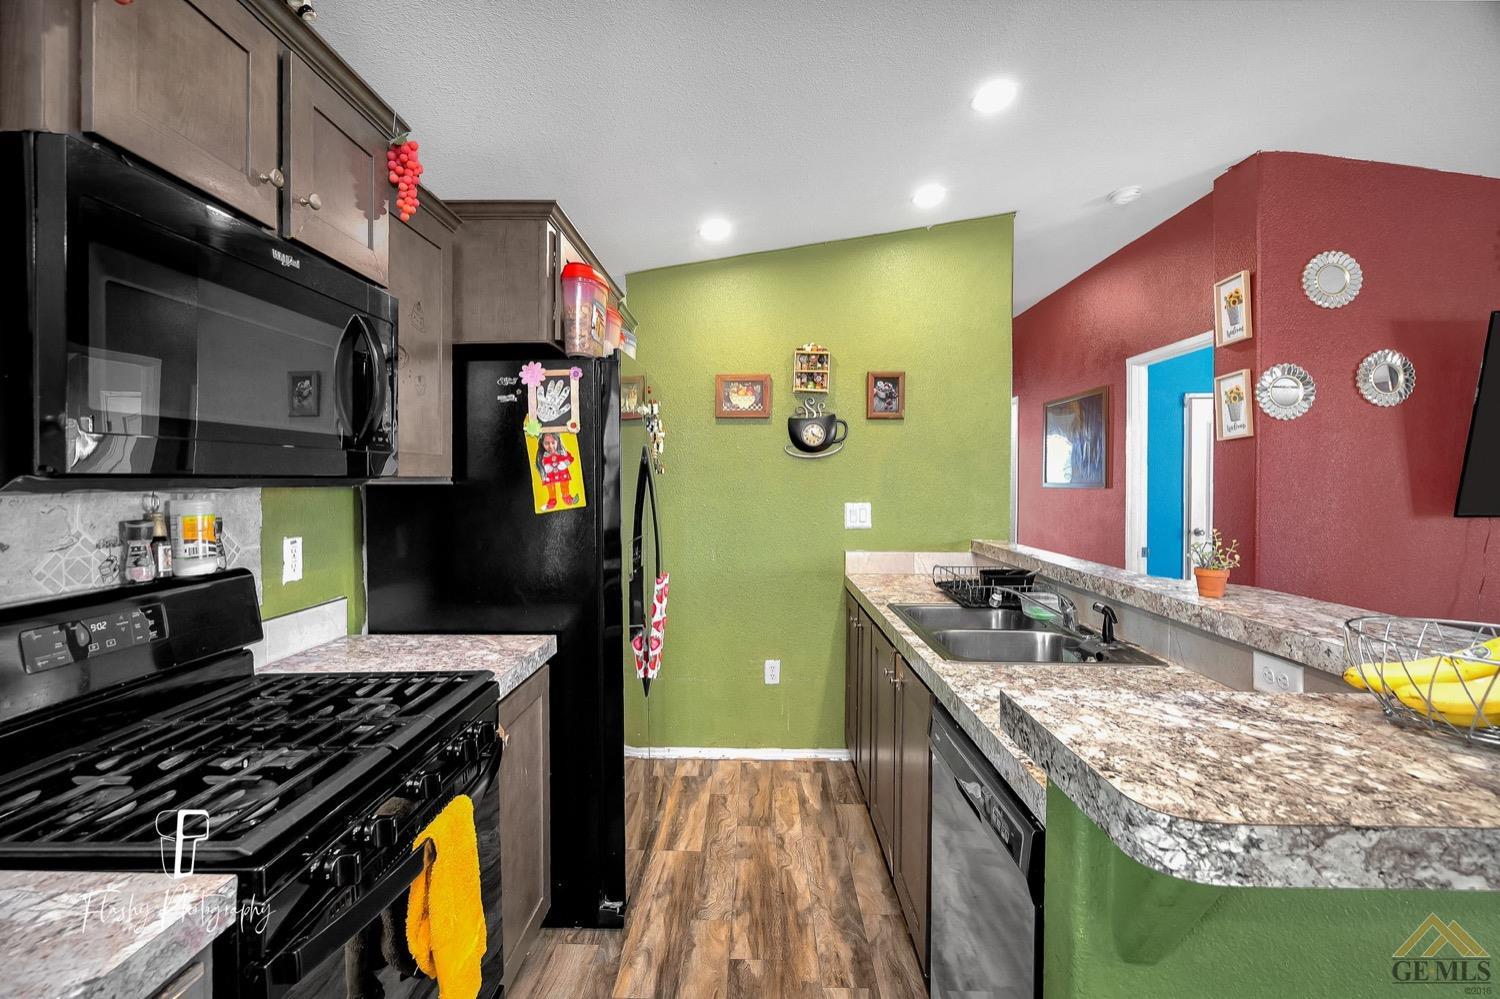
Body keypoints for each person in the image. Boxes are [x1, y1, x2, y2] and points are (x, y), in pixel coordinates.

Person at [536, 432, 578, 509]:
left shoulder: (562, 452)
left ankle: (566, 496)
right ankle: (552, 500)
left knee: (564, 484)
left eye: (553, 442)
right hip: (550, 476)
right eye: (546, 443)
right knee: (550, 486)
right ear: (541, 443)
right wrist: (545, 468)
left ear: (557, 441)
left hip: (562, 474)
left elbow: (571, 458)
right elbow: (539, 465)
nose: (551, 446)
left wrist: (565, 463)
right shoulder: (542, 456)